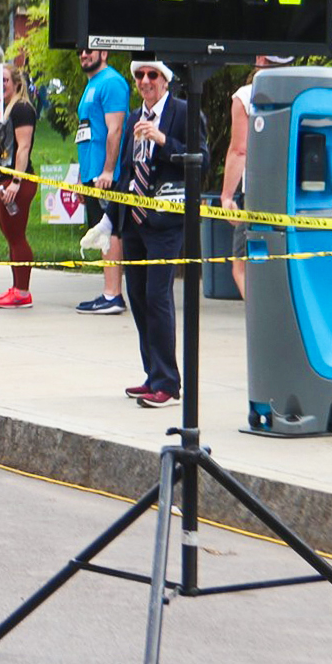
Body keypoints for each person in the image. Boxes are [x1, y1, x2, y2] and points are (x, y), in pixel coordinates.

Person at [119, 60, 203, 409]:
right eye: (139, 75)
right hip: (134, 220)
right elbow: (128, 169)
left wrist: (163, 139)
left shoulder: (183, 111)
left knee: (158, 296)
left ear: (166, 80)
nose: (145, 81)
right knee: (137, 296)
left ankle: (168, 383)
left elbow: (202, 158)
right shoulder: (133, 117)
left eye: (152, 75)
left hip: (166, 221)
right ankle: (153, 374)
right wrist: (112, 219)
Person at [219, 55, 290, 299]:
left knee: (242, 264)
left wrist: (227, 196)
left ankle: (262, 322)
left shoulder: (245, 96)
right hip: (295, 194)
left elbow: (239, 150)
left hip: (259, 193)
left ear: (260, 58)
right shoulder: (304, 90)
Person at [73, 47, 131, 314]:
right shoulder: (91, 85)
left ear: (104, 53)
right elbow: (86, 133)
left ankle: (113, 295)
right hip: (91, 174)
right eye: (80, 52)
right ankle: (109, 291)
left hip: (108, 175)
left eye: (90, 50)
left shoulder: (112, 82)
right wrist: (81, 177)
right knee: (100, 229)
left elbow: (115, 129)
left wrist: (108, 171)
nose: (84, 55)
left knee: (110, 230)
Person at [0, 66, 38, 309]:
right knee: (10, 236)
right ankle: (16, 286)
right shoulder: (4, 110)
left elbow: (23, 147)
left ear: (16, 83)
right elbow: (2, 148)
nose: (0, 84)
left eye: (4, 80)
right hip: (0, 177)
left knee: (17, 236)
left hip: (17, 180)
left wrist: (17, 182)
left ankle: (23, 291)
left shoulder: (22, 109)